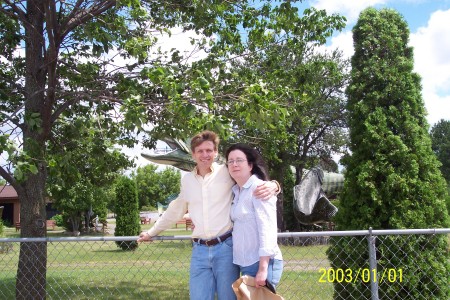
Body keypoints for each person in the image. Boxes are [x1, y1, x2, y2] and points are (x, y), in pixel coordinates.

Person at [137, 131, 280, 300]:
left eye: (209, 150)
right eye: (200, 151)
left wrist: (274, 185)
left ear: (216, 152)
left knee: (228, 297)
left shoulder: (227, 172)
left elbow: (251, 180)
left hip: (226, 248)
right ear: (193, 154)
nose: (205, 155)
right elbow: (175, 209)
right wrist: (151, 232)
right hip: (199, 251)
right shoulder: (187, 180)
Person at [225, 143, 283, 290]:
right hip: (245, 262)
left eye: (239, 160)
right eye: (230, 161)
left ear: (250, 165)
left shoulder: (259, 188)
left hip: (261, 262)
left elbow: (267, 228)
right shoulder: (237, 192)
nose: (234, 164)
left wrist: (263, 268)